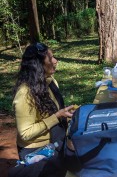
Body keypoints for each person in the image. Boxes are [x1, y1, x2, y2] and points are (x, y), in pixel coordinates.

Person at [10, 42, 74, 177]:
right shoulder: (25, 93)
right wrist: (56, 117)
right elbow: (25, 133)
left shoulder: (50, 82)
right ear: (38, 65)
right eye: (50, 58)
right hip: (38, 151)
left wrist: (65, 115)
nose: (55, 61)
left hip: (56, 142)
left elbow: (55, 111)